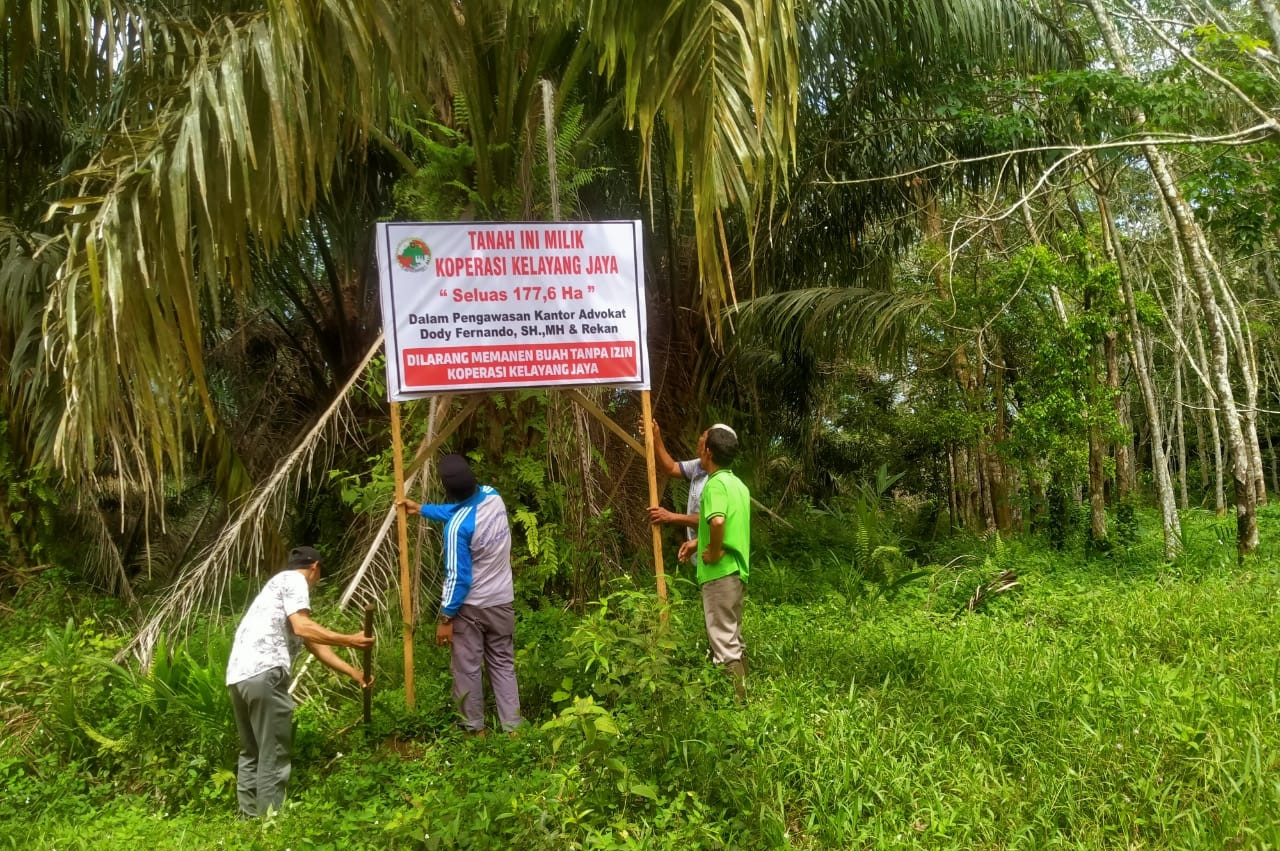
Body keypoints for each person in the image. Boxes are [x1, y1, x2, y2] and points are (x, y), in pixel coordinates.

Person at [225, 546, 374, 818]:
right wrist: (350, 639)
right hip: (265, 671)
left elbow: (313, 643)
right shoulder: (295, 581)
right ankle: (269, 823)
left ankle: (247, 820)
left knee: (252, 751)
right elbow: (303, 628)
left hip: (239, 676)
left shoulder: (275, 590)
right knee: (273, 751)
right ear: (314, 567)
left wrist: (354, 672)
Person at [400, 453, 522, 734]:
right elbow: (461, 512)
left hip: (471, 608)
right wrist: (421, 509)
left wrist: (445, 618)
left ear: (447, 488)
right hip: (502, 602)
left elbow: (458, 577)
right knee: (503, 664)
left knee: (467, 668)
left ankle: (474, 729)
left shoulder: (457, 529)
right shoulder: (493, 497)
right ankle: (514, 729)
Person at [674, 425, 750, 699]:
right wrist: (699, 541)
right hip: (737, 572)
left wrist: (714, 551)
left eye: (702, 442)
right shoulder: (737, 485)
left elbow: (717, 520)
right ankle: (745, 694)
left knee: (723, 641)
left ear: (709, 452)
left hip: (720, 572)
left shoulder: (714, 484)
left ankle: (736, 710)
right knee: (733, 637)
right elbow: (728, 524)